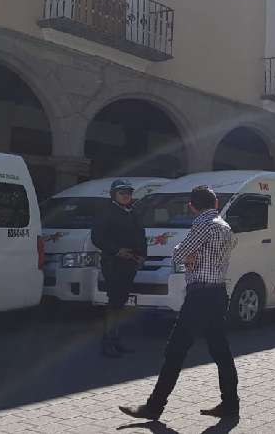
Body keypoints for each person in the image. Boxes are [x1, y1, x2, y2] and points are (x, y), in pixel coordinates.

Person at [120, 185, 240, 421]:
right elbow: (219, 252)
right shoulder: (225, 227)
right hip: (218, 293)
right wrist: (194, 256)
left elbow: (178, 253)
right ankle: (230, 405)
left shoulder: (202, 224)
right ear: (216, 203)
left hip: (200, 297)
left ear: (192, 206)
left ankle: (154, 407)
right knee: (221, 351)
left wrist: (188, 255)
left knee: (175, 351)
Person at [91, 179, 146, 358]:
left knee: (121, 303)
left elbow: (141, 235)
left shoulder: (133, 212)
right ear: (114, 195)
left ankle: (116, 340)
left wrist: (142, 255)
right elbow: (97, 238)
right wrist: (117, 251)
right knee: (114, 303)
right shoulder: (107, 213)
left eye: (128, 193)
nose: (126, 196)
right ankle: (107, 343)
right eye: (122, 193)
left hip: (130, 263)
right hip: (113, 263)